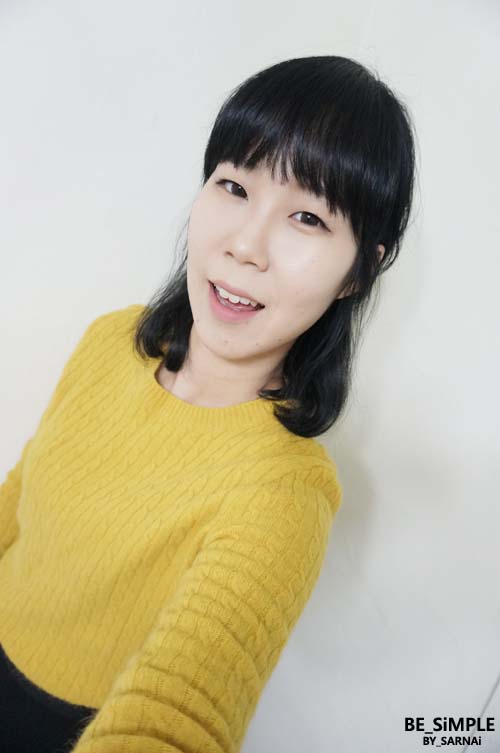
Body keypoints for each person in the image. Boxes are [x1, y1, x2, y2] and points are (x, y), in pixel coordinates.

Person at [0, 55, 417, 752]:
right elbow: (21, 495)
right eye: (234, 185)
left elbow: (181, 718)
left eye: (307, 217)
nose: (245, 245)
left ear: (358, 271)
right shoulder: (111, 341)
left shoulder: (285, 491)